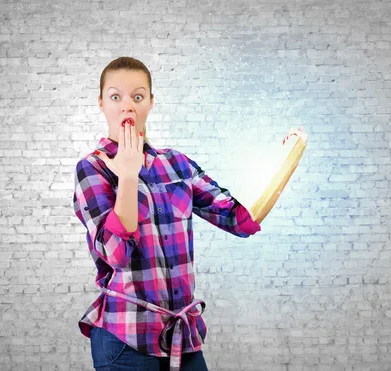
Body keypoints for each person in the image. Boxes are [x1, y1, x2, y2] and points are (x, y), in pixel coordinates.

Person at [72, 56, 308, 371]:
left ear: (151, 103)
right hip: (125, 341)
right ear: (101, 103)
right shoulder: (93, 168)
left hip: (181, 339)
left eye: (138, 96)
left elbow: (240, 220)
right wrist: (128, 177)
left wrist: (289, 157)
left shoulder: (178, 165)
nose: (127, 106)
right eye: (116, 97)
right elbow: (116, 254)